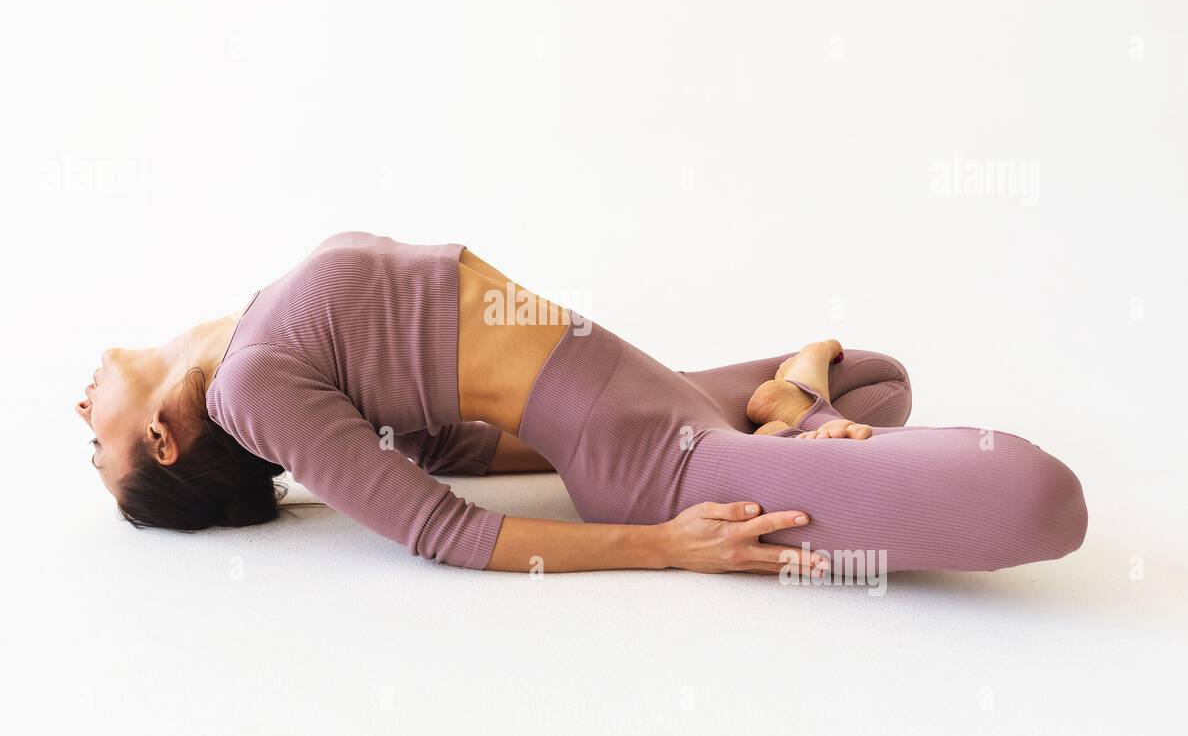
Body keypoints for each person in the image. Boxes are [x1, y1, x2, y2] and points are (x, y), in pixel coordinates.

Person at [77, 232, 1086, 577]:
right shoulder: (254, 387)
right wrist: (664, 544)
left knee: (875, 376)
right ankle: (800, 418)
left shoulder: (261, 335)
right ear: (162, 441)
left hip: (650, 396)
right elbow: (438, 529)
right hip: (653, 465)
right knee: (1040, 496)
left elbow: (452, 442)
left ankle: (800, 408)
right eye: (97, 449)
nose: (79, 416)